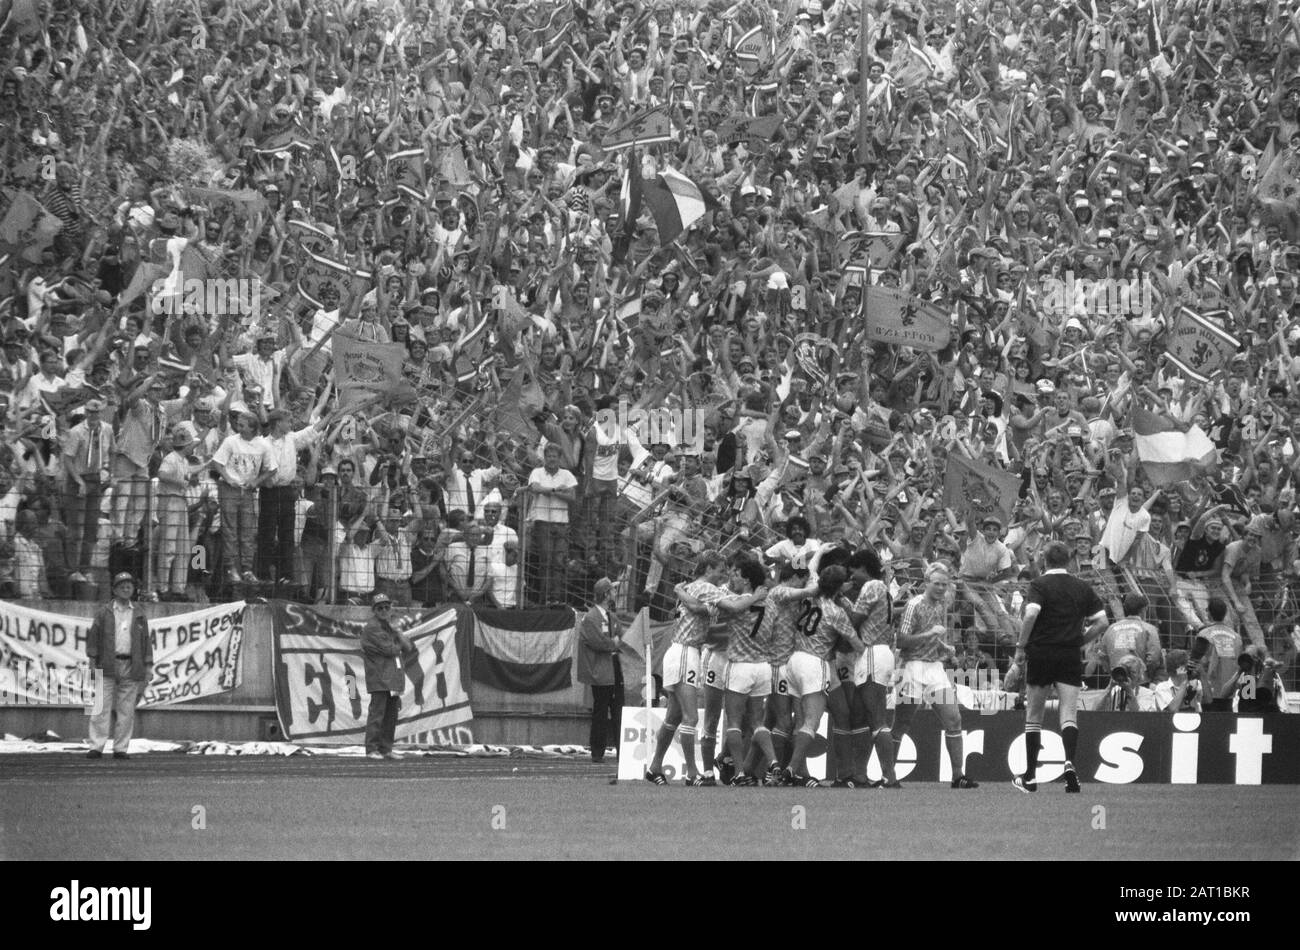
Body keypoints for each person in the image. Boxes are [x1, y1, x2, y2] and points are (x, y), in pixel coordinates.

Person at [1013, 542, 1110, 794]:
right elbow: (1102, 622)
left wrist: (1021, 647)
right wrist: (1080, 640)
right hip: (1069, 654)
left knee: (1034, 715)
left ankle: (1031, 777)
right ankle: (1069, 764)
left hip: (1042, 652)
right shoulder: (1081, 587)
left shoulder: (1039, 584)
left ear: (1044, 560)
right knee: (1068, 714)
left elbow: (1031, 614)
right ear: (1069, 560)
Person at [645, 551, 731, 787]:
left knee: (673, 716)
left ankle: (654, 767)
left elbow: (694, 607)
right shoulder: (706, 589)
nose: (722, 575)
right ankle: (692, 774)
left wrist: (679, 591)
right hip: (686, 651)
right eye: (719, 569)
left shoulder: (690, 587)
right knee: (691, 717)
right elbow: (714, 605)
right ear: (709, 569)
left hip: (678, 650)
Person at [891, 563, 980, 789]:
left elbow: (932, 635)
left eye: (944, 584)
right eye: (937, 583)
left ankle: (958, 776)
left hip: (934, 668)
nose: (941, 588)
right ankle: (887, 774)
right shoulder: (914, 605)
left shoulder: (941, 605)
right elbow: (901, 641)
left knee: (954, 719)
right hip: (912, 667)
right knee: (902, 723)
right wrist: (931, 634)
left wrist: (943, 646)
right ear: (926, 583)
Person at [85, 572, 152, 760]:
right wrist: (92, 661)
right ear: (114, 589)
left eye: (129, 585)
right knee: (100, 707)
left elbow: (146, 641)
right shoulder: (104, 612)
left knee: (126, 710)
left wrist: (148, 666)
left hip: (131, 664)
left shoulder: (139, 613)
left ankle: (121, 747)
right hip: (106, 663)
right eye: (121, 585)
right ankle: (96, 746)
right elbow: (93, 638)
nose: (126, 588)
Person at [360, 592, 415, 760]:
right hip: (379, 677)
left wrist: (397, 634)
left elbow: (409, 648)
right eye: (380, 608)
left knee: (391, 715)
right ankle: (372, 749)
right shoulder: (372, 627)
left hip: (392, 677)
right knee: (377, 714)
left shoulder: (389, 627)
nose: (384, 610)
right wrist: (398, 635)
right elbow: (390, 649)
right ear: (374, 610)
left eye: (386, 607)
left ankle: (386, 748)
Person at [576, 577, 623, 764]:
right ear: (606, 594)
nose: (614, 593)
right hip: (602, 671)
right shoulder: (591, 618)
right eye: (612, 590)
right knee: (601, 711)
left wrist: (613, 643)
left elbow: (618, 636)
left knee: (618, 711)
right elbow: (599, 642)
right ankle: (597, 751)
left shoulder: (610, 617)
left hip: (613, 668)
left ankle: (621, 751)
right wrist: (613, 644)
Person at [1189, 597, 1244, 713]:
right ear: (1224, 614)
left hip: (1209, 691)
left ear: (1209, 614)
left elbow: (1193, 662)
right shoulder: (1237, 637)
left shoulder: (1204, 634)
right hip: (1229, 692)